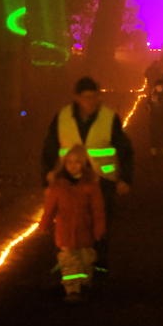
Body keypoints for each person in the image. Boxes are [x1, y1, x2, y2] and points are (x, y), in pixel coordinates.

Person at [41, 76, 134, 278]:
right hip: (68, 179)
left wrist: (125, 178)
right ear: (77, 97)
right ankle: (67, 262)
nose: (90, 102)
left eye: (94, 97)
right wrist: (47, 175)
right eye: (86, 98)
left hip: (103, 180)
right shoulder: (63, 116)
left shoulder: (109, 117)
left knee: (101, 220)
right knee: (68, 221)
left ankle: (98, 262)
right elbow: (50, 146)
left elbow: (124, 149)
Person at [38, 146, 106, 303]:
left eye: (77, 162)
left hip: (85, 231)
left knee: (85, 260)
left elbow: (98, 210)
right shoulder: (58, 186)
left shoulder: (91, 186)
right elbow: (50, 209)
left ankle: (84, 285)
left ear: (84, 164)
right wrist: (45, 224)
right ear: (64, 164)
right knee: (68, 261)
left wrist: (99, 229)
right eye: (69, 162)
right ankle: (72, 289)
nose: (73, 166)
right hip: (65, 231)